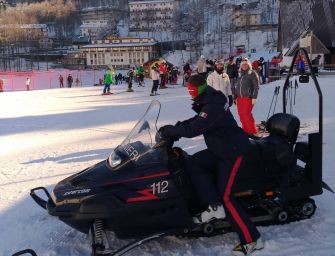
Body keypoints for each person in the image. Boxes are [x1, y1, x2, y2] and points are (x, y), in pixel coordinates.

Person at [159, 74, 263, 256]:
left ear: (197, 89)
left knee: (227, 196)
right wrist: (175, 129)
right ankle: (212, 205)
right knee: (193, 163)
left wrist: (174, 130)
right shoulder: (209, 98)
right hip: (220, 149)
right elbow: (197, 120)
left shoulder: (212, 105)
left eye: (190, 90)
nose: (189, 93)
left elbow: (195, 128)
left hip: (233, 153)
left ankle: (252, 240)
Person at [235, 58, 260, 138]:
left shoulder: (252, 73)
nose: (244, 66)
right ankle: (246, 130)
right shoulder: (240, 74)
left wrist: (254, 97)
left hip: (248, 97)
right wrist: (236, 96)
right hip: (240, 98)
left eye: (246, 64)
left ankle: (253, 131)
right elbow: (238, 86)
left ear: (248, 65)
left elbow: (256, 87)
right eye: (243, 64)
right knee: (241, 114)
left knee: (247, 114)